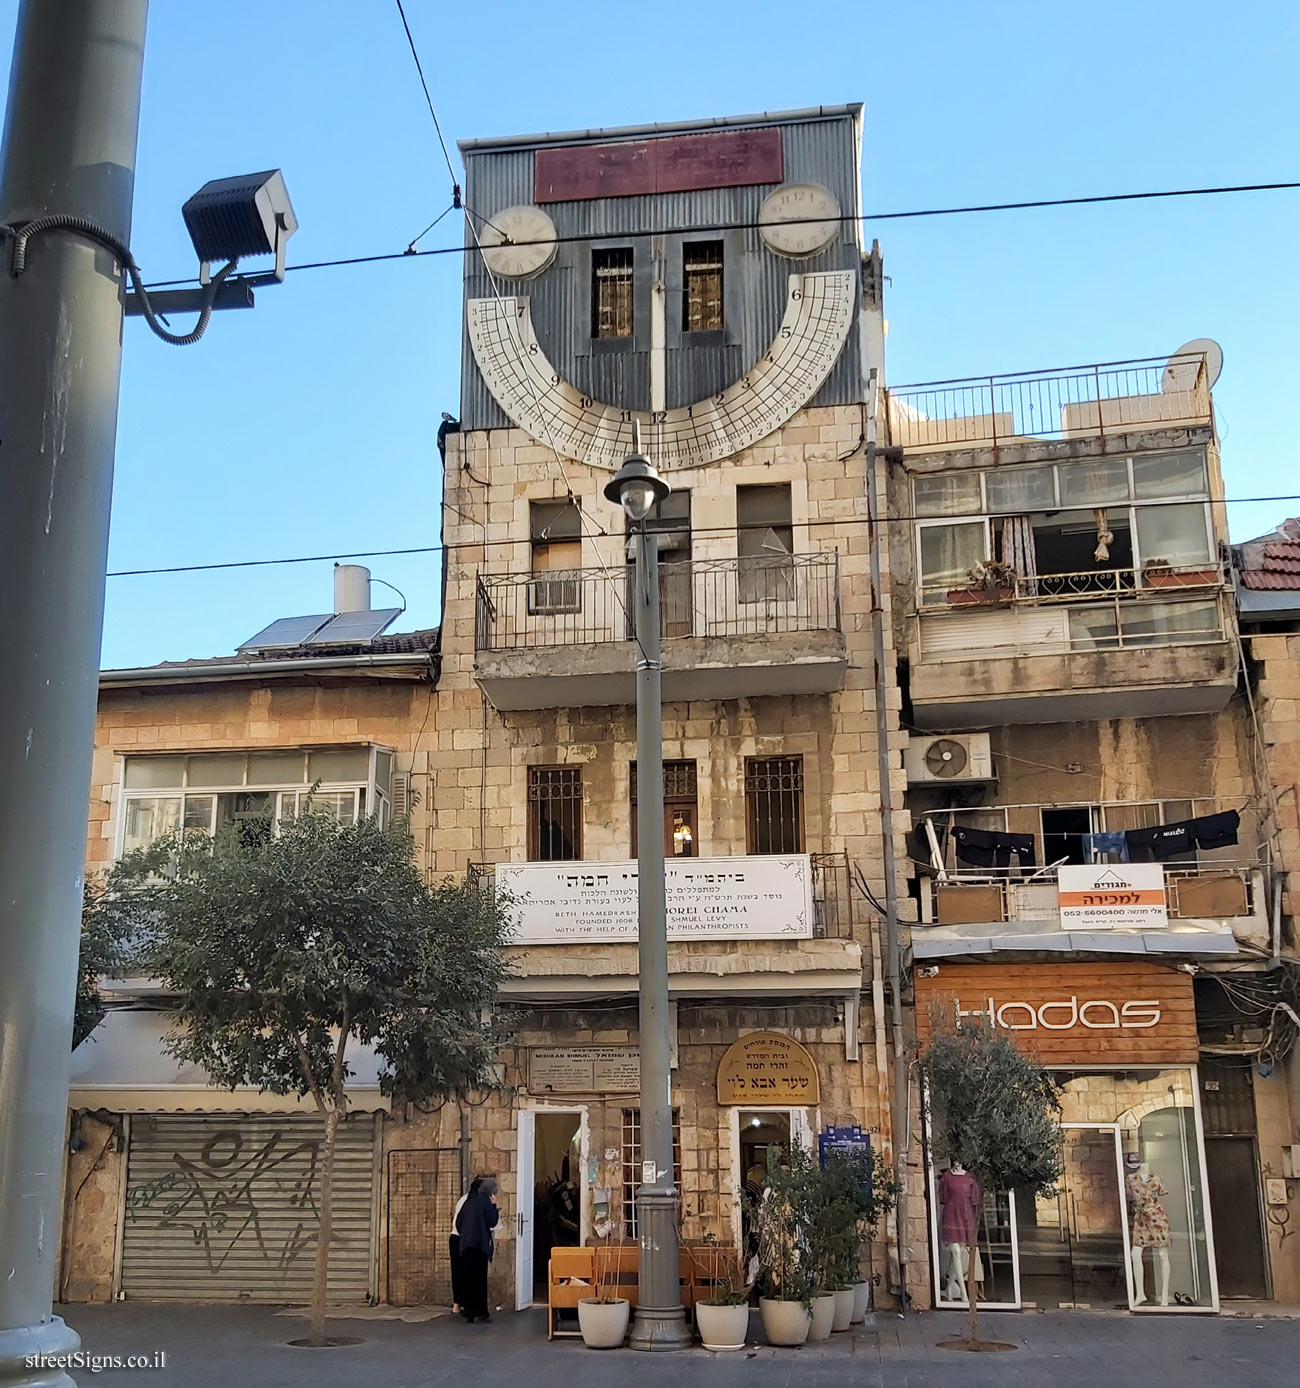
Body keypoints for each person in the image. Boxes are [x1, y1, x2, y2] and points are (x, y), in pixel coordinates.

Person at [455, 1175, 499, 1323]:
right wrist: (494, 1206)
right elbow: (493, 1221)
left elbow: (459, 1222)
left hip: (466, 1245)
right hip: (479, 1245)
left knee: (468, 1278)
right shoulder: (485, 1202)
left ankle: (469, 1312)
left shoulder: (468, 1202)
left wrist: (466, 1235)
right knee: (479, 1279)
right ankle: (481, 1311)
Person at [449, 1176, 481, 1316]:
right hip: (463, 1239)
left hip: (456, 1237)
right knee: (467, 1272)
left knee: (458, 1271)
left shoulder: (464, 1199)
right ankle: (465, 1305)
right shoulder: (474, 1201)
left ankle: (457, 1304)